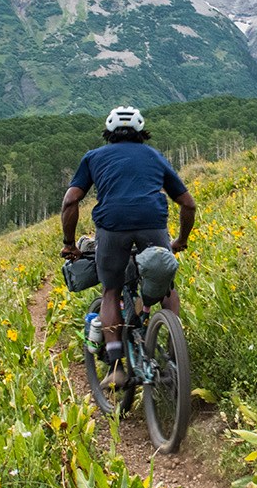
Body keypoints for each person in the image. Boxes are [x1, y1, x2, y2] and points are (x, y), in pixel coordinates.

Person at [61, 106, 196, 389]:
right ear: (141, 132)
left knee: (111, 290)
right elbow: (188, 203)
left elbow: (71, 201)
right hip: (152, 223)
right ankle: (173, 350)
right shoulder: (153, 156)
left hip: (112, 227)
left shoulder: (93, 157)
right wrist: (180, 241)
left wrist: (70, 244)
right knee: (167, 285)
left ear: (108, 133)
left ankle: (115, 366)